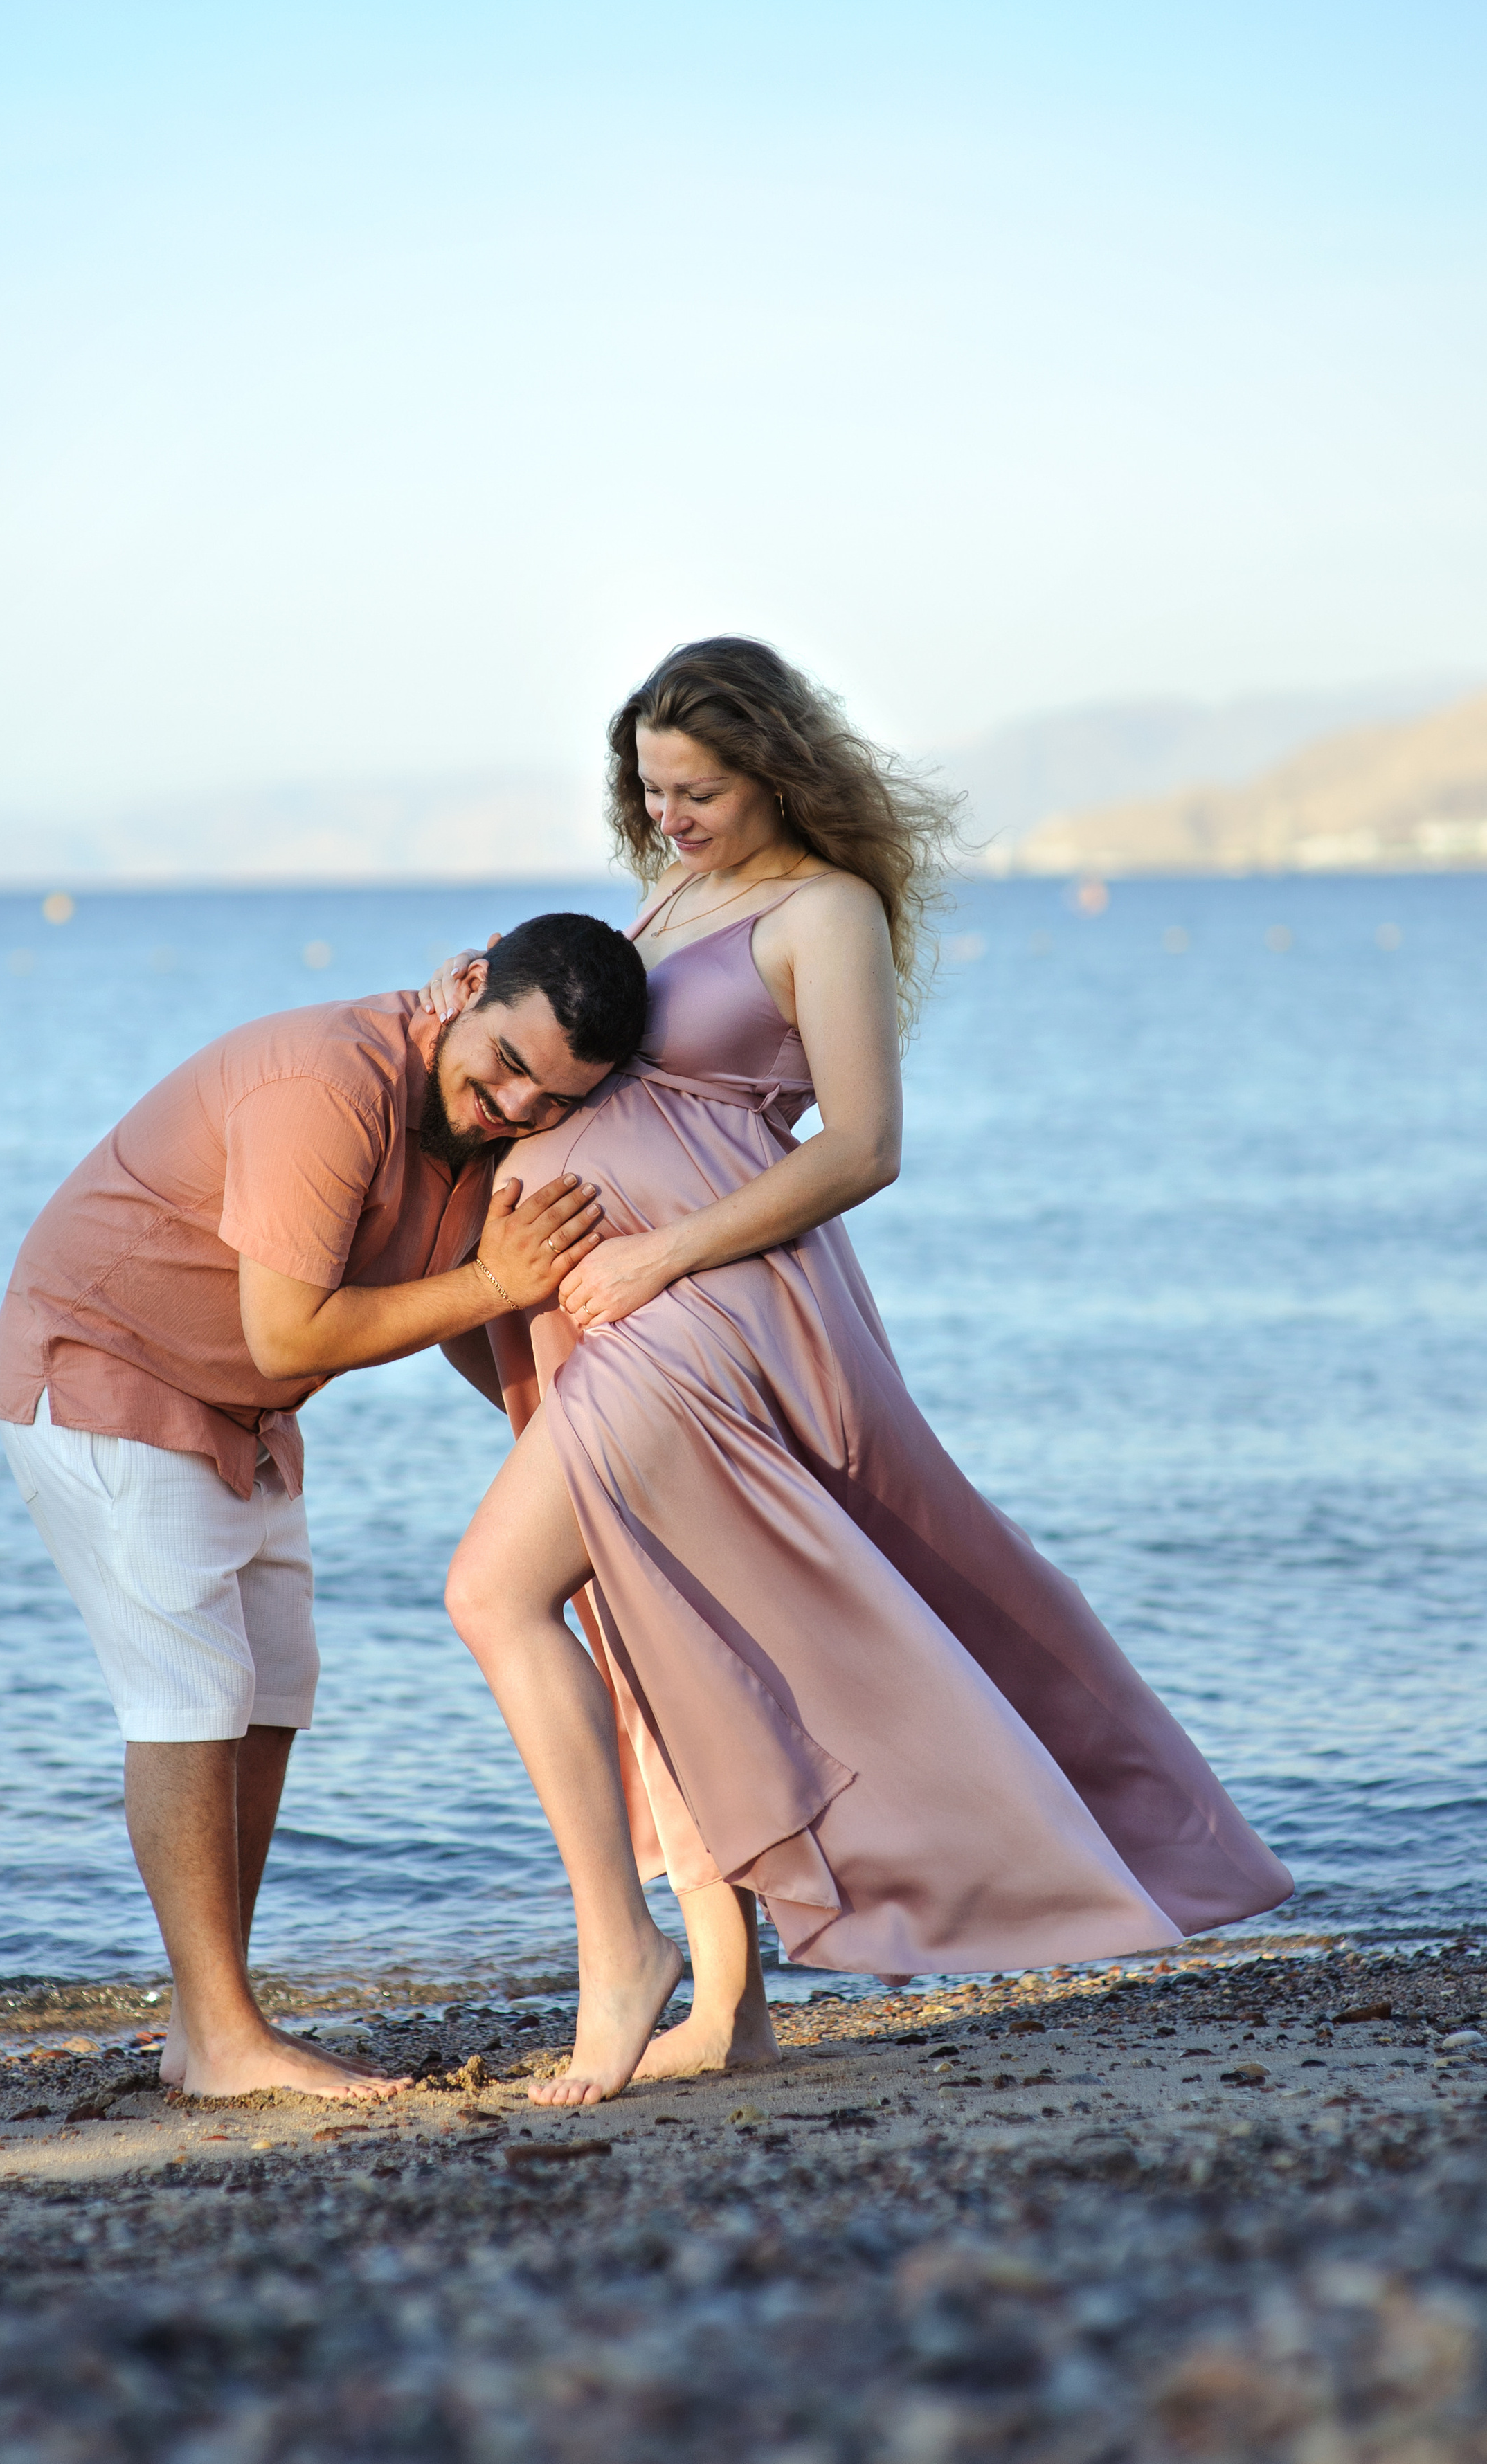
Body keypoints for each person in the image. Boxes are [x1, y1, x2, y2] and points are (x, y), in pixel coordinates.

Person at [427, 638, 1292, 2106]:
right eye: (652, 789)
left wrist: (659, 1256)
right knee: (655, 1631)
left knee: (494, 1591)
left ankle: (625, 1957)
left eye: (700, 790)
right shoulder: (673, 895)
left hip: (704, 1309)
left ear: (775, 769)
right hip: (619, 1309)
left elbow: (863, 1146)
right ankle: (731, 2004)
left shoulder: (823, 910)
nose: (672, 816)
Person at [0, 913, 646, 2102]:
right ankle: (227, 2039)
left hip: (241, 1410)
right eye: (505, 1065)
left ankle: (206, 2029)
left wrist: (574, 1446)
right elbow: (293, 1331)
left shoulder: (469, 1118)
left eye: (550, 1102)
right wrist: (494, 1280)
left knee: (274, 1691)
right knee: (191, 1698)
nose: (513, 1108)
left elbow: (453, 1315)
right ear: (470, 984)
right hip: (108, 1372)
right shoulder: (327, 1086)